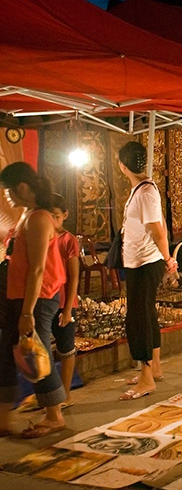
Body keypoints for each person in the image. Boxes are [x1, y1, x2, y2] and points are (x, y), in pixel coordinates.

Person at [0, 162, 67, 438]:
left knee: (36, 354)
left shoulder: (39, 218)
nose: (6, 196)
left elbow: (38, 268)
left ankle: (54, 416)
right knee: (5, 354)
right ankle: (3, 418)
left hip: (38, 299)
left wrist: (27, 312)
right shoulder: (28, 215)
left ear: (22, 187)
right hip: (20, 297)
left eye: (7, 191)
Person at [117, 141, 177, 400]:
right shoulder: (142, 189)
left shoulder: (145, 193)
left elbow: (157, 228)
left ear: (122, 166)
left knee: (138, 319)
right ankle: (155, 368)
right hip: (138, 261)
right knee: (147, 314)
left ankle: (146, 379)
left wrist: (168, 259)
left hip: (145, 262)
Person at [49, 193, 80, 409]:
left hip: (63, 302)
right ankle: (50, 394)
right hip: (45, 301)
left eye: (56, 216)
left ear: (65, 215)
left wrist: (68, 308)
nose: (52, 221)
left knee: (66, 348)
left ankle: (66, 393)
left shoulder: (69, 240)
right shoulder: (42, 237)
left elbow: (74, 276)